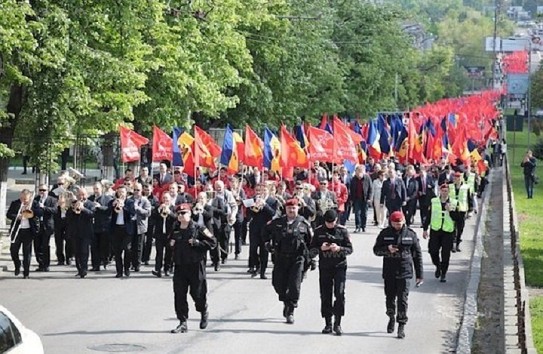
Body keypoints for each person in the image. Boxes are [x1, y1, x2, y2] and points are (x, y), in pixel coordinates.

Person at [373, 211, 423, 339]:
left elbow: (417, 255)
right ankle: (391, 316)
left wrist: (419, 275)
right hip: (389, 272)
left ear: (404, 221)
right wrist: (387, 249)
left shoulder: (410, 234)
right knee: (390, 299)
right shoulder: (385, 234)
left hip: (405, 271)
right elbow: (376, 250)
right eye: (395, 224)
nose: (397, 226)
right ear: (391, 222)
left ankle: (401, 325)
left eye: (399, 223)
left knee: (402, 300)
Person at [264, 198, 313, 324]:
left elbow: (312, 242)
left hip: (298, 258)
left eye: (294, 208)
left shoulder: (304, 224)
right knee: (278, 284)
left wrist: (312, 259)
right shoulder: (277, 222)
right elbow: (265, 232)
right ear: (285, 209)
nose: (291, 210)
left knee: (294, 285)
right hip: (280, 257)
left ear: (298, 209)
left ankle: (291, 309)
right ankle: (285, 300)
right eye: (289, 208)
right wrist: (267, 243)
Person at [170, 203, 217, 334]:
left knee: (197, 293)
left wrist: (198, 243)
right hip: (180, 265)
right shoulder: (175, 228)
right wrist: (171, 244)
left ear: (190, 214)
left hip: (195, 265)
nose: (180, 215)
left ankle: (203, 310)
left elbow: (213, 242)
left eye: (183, 213)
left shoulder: (199, 228)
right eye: (178, 213)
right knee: (179, 294)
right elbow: (170, 242)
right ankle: (182, 322)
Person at [309, 209, 353, 335]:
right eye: (328, 222)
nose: (330, 225)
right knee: (325, 294)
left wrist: (339, 248)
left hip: (339, 266)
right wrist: (320, 248)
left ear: (336, 220)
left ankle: (337, 323)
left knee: (339, 294)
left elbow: (350, 249)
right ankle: (328, 323)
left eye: (332, 222)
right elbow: (311, 250)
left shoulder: (342, 231)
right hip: (325, 266)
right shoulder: (318, 231)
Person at [422, 184, 457, 283]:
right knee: (432, 251)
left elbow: (457, 219)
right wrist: (425, 229)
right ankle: (438, 266)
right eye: (443, 191)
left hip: (447, 231)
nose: (444, 193)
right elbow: (428, 216)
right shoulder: (434, 202)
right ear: (440, 191)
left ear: (449, 192)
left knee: (445, 254)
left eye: (446, 191)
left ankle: (444, 273)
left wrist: (451, 211)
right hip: (435, 230)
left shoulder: (453, 203)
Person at [7, 189, 42, 278]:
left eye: (25, 199)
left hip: (28, 231)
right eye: (22, 198)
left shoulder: (34, 203)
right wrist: (17, 216)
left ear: (29, 198)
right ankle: (17, 264)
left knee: (27, 253)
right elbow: (8, 214)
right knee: (13, 250)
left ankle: (26, 273)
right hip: (17, 230)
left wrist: (31, 212)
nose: (23, 200)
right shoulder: (15, 203)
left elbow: (40, 213)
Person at [66, 188, 96, 278]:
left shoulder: (90, 204)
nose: (81, 196)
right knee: (77, 252)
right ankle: (79, 269)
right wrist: (72, 209)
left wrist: (83, 209)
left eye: (83, 195)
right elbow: (68, 217)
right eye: (79, 195)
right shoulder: (73, 203)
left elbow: (92, 214)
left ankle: (84, 269)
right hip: (75, 231)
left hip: (86, 231)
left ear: (86, 195)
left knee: (84, 251)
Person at [89, 182, 113, 271]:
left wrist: (100, 207)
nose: (95, 191)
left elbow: (109, 210)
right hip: (94, 225)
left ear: (101, 189)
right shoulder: (91, 198)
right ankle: (95, 265)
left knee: (104, 246)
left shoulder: (108, 199)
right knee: (94, 246)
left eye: (97, 189)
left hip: (104, 226)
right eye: (94, 189)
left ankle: (105, 261)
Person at [33, 184, 57, 272]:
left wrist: (44, 207)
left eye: (44, 190)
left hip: (47, 225)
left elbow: (55, 210)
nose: (42, 192)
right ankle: (40, 264)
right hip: (38, 225)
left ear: (48, 191)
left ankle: (46, 265)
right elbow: (32, 210)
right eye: (40, 190)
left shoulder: (52, 200)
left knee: (45, 245)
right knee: (37, 245)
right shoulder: (35, 199)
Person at [349, 165, 372, 232]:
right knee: (357, 213)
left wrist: (369, 198)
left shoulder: (367, 178)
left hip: (365, 198)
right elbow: (351, 189)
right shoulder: (353, 179)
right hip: (356, 199)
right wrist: (351, 199)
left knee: (364, 213)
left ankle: (363, 226)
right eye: (357, 171)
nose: (359, 173)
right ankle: (357, 226)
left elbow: (370, 188)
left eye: (360, 171)